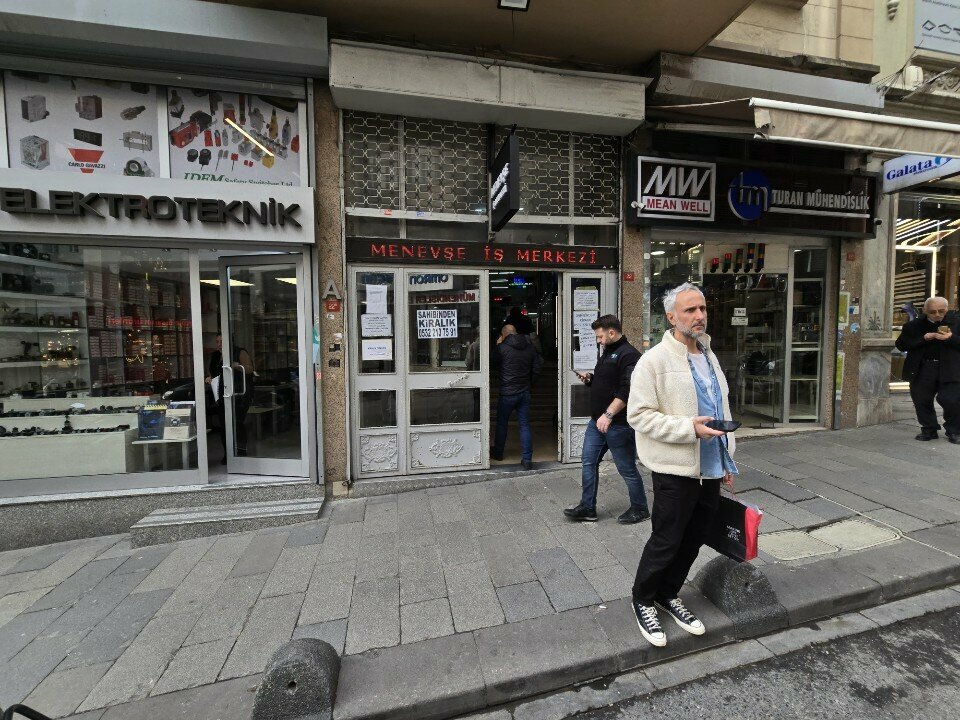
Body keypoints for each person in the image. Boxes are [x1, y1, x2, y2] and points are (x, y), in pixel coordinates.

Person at [626, 283, 738, 648]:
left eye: (702, 308)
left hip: (709, 469)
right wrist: (687, 428)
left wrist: (726, 460)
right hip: (675, 468)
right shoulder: (653, 361)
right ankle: (643, 598)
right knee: (666, 538)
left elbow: (721, 410)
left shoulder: (708, 355)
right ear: (671, 317)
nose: (699, 316)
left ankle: (667, 593)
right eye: (690, 310)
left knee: (694, 538)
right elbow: (638, 415)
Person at [563, 315, 650, 524]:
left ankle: (640, 508)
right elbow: (607, 384)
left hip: (618, 424)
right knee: (588, 462)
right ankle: (587, 507)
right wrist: (591, 379)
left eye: (600, 336)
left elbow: (627, 390)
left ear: (612, 332)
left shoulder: (630, 355)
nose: (598, 341)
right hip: (598, 423)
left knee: (626, 468)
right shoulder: (607, 352)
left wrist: (609, 415)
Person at [895, 296, 960, 443]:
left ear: (947, 308)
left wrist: (951, 338)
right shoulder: (914, 326)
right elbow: (901, 345)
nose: (937, 314)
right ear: (925, 310)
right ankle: (929, 429)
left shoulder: (956, 322)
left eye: (941, 311)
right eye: (932, 312)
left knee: (951, 400)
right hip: (923, 368)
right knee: (921, 399)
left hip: (950, 368)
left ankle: (955, 431)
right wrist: (923, 338)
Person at [491, 324, 541, 469]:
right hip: (524, 392)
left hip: (507, 393)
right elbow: (537, 368)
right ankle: (527, 459)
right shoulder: (530, 347)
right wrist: (530, 383)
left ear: (504, 335)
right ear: (516, 332)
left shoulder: (501, 348)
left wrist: (497, 345)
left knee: (502, 424)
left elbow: (492, 364)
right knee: (524, 425)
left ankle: (498, 453)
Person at [205, 333, 255, 463]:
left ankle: (241, 452)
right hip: (222, 394)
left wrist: (237, 366)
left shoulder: (239, 352)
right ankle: (228, 454)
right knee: (224, 425)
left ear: (229, 341)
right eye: (217, 341)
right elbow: (213, 372)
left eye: (222, 341)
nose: (219, 344)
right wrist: (209, 378)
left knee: (237, 423)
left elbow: (250, 369)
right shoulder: (215, 356)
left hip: (238, 394)